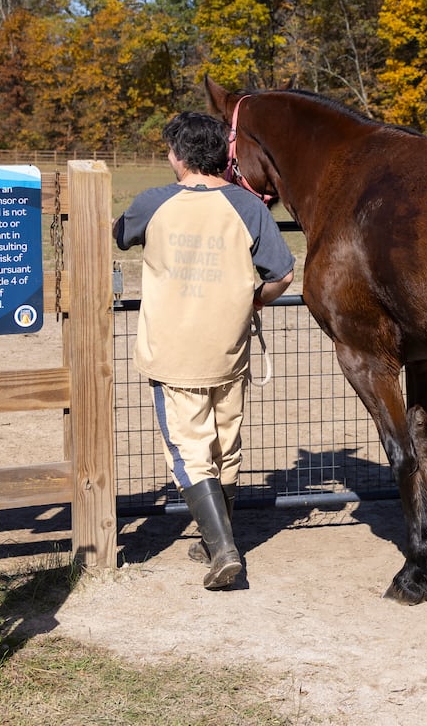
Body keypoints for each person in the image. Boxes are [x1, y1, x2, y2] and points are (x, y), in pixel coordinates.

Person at [112, 111, 295, 589]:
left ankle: (223, 549)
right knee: (225, 444)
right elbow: (284, 275)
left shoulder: (155, 202)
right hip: (229, 350)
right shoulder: (250, 206)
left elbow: (119, 233)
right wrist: (251, 300)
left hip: (173, 353)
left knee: (189, 450)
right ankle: (216, 539)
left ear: (178, 156)